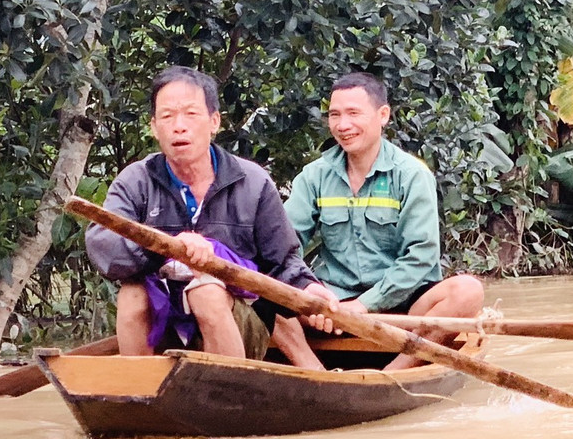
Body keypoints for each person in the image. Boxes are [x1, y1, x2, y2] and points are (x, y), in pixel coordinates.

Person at [86, 67, 334, 368]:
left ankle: (227, 387)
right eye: (167, 117)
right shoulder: (136, 180)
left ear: (214, 121)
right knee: (132, 295)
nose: (179, 127)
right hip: (166, 321)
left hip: (239, 322)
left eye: (191, 114)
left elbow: (283, 261)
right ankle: (141, 388)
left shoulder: (252, 182)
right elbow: (103, 244)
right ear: (154, 127)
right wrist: (166, 247)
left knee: (206, 291)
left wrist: (308, 288)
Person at [279, 71, 485, 372]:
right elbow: (282, 247)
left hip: (401, 308)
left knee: (468, 291)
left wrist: (364, 305)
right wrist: (311, 292)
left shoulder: (412, 175)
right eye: (335, 115)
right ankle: (315, 373)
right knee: (260, 291)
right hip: (330, 306)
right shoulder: (314, 176)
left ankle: (394, 374)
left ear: (383, 115)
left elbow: (421, 257)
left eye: (353, 113)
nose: (342, 125)